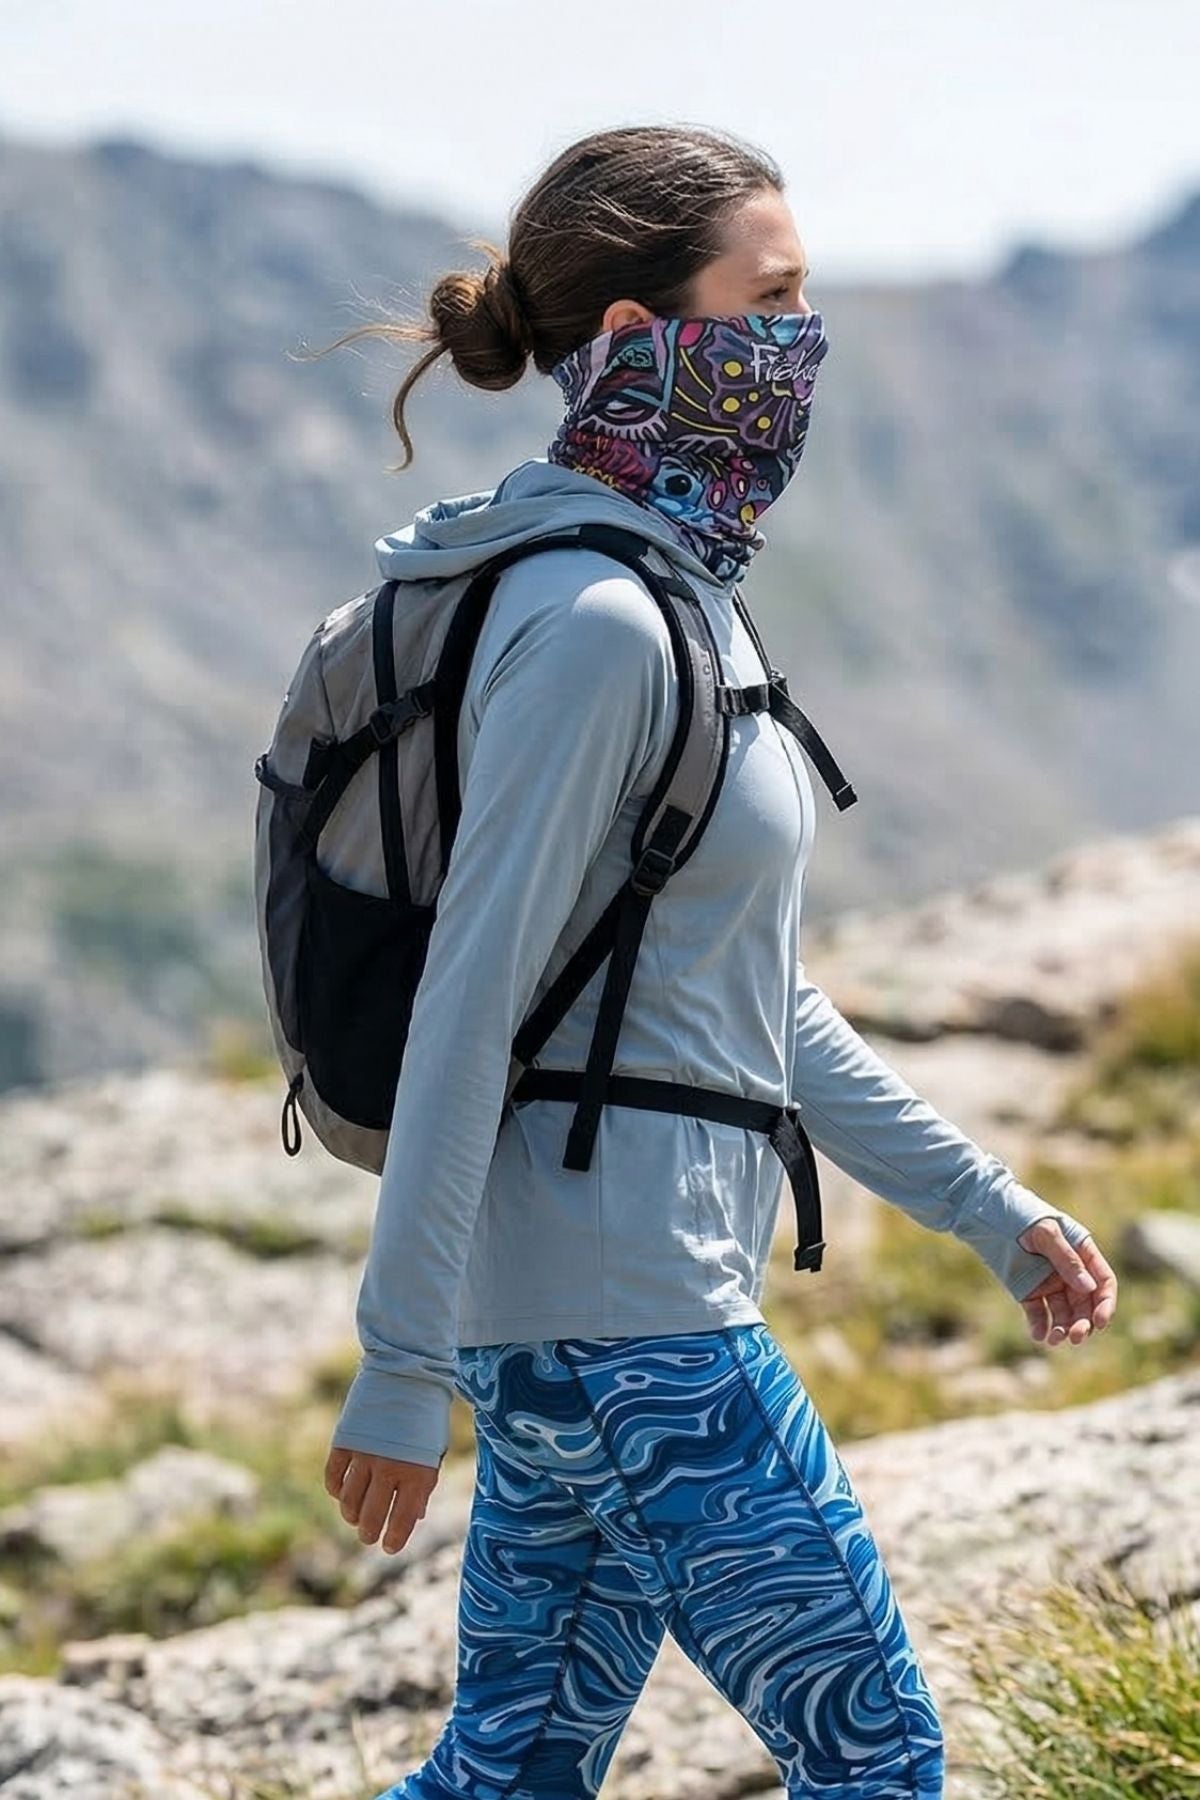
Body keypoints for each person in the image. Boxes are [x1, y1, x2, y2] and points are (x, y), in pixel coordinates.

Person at [315, 123, 1119, 1800]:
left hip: (581, 1319)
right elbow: (473, 986)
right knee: (881, 1764)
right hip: (637, 1330)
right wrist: (398, 1365)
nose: (801, 344)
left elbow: (750, 996)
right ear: (633, 340)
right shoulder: (597, 625)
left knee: (513, 1773)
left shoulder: (678, 600)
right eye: (775, 298)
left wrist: (987, 1204)